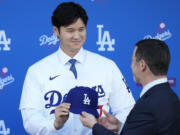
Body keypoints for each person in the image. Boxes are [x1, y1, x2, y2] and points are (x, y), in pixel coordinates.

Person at [19, 2, 135, 135]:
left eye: (81, 29)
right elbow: (30, 119)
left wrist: (108, 128)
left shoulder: (107, 66)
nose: (77, 36)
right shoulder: (37, 71)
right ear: (56, 31)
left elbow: (127, 109)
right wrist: (55, 124)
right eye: (70, 30)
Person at [80, 39, 180, 135]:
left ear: (142, 65)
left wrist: (94, 126)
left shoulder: (147, 105)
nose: (131, 65)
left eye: (133, 60)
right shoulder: (172, 97)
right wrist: (119, 126)